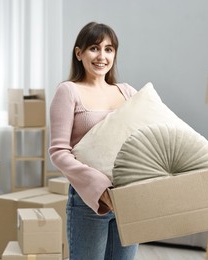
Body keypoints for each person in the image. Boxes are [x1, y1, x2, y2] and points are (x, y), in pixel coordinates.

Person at [49, 22, 139, 260]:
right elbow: (59, 152)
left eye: (109, 49)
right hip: (89, 201)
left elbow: (156, 135)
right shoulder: (68, 91)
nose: (102, 56)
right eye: (94, 48)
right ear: (79, 53)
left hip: (129, 196)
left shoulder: (127, 92)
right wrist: (98, 185)